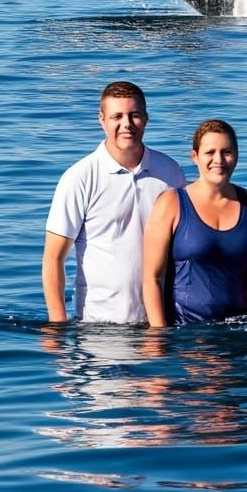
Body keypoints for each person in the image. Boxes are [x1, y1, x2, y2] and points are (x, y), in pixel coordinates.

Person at [43, 81, 185, 323]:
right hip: (99, 323)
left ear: (146, 119)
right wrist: (57, 325)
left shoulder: (170, 172)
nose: (126, 124)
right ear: (102, 120)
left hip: (160, 321)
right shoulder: (79, 177)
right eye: (117, 116)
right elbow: (53, 257)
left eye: (134, 115)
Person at [143, 119, 247, 326]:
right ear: (195, 157)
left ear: (236, 155)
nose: (219, 160)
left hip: (241, 332)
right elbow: (152, 278)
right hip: (186, 334)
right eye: (210, 153)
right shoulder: (172, 203)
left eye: (226, 152)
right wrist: (158, 335)